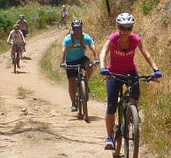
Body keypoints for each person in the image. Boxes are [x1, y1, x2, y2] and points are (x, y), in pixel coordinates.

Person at [99, 12, 161, 150]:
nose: (125, 31)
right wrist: (103, 68)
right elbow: (103, 52)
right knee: (111, 106)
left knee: (135, 92)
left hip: (130, 71)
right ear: (118, 27)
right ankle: (109, 138)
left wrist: (155, 69)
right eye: (122, 28)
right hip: (113, 73)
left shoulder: (135, 39)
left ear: (132, 28)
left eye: (129, 28)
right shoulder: (113, 38)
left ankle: (131, 113)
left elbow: (147, 54)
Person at [59, 19, 98, 111]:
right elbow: (63, 51)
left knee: (89, 66)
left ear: (81, 28)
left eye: (79, 28)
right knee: (71, 80)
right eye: (75, 29)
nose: (78, 31)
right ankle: (73, 103)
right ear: (73, 29)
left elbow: (93, 48)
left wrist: (96, 59)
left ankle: (86, 83)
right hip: (70, 61)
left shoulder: (85, 37)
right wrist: (62, 62)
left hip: (81, 59)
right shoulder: (68, 39)